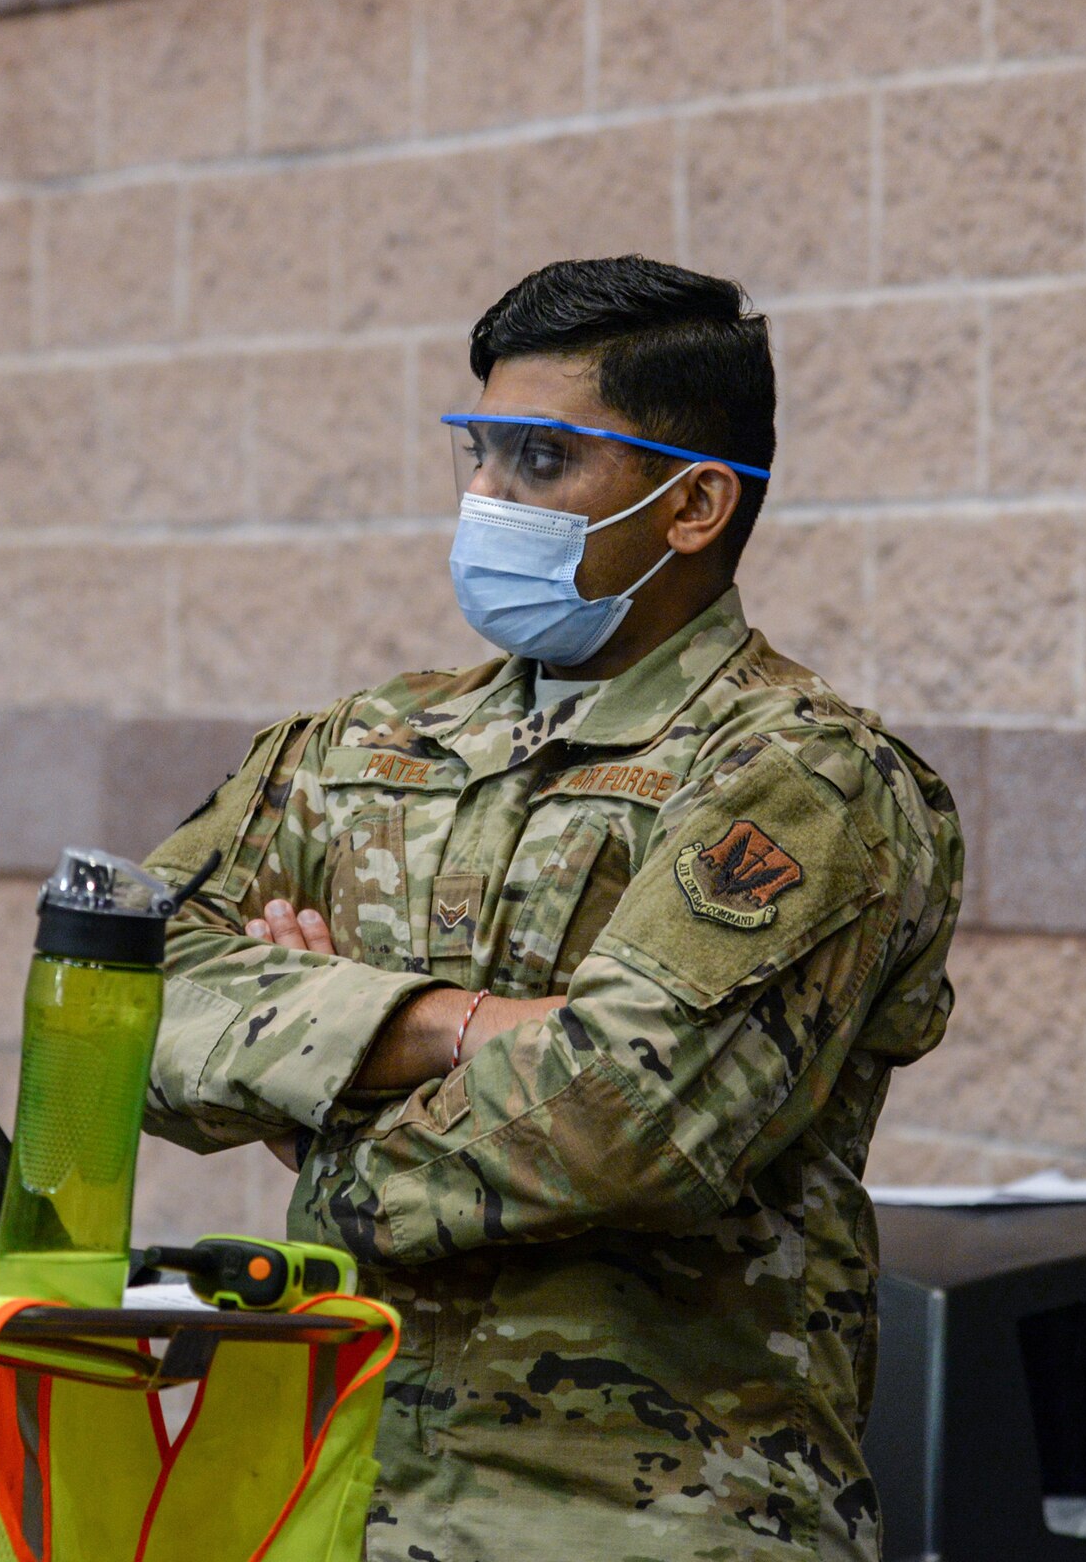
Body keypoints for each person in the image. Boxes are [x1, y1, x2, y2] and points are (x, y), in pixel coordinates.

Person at [141, 255, 964, 1562]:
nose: (484, 499)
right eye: (477, 453)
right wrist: (439, 1028)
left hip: (642, 1514)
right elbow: (116, 999)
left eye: (538, 462)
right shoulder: (365, 741)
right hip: (326, 1487)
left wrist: (304, 1083)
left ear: (693, 505)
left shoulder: (802, 779)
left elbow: (620, 1124)